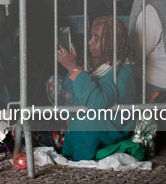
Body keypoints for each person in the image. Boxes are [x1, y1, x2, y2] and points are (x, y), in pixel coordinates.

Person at [57, 16, 139, 161]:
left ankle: (82, 159)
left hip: (112, 127)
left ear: (112, 42)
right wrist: (75, 67)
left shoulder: (122, 71)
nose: (90, 42)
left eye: (96, 38)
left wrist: (75, 69)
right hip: (98, 122)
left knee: (85, 117)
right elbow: (71, 89)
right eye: (91, 36)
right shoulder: (98, 64)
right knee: (78, 113)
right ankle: (72, 156)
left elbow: (98, 103)